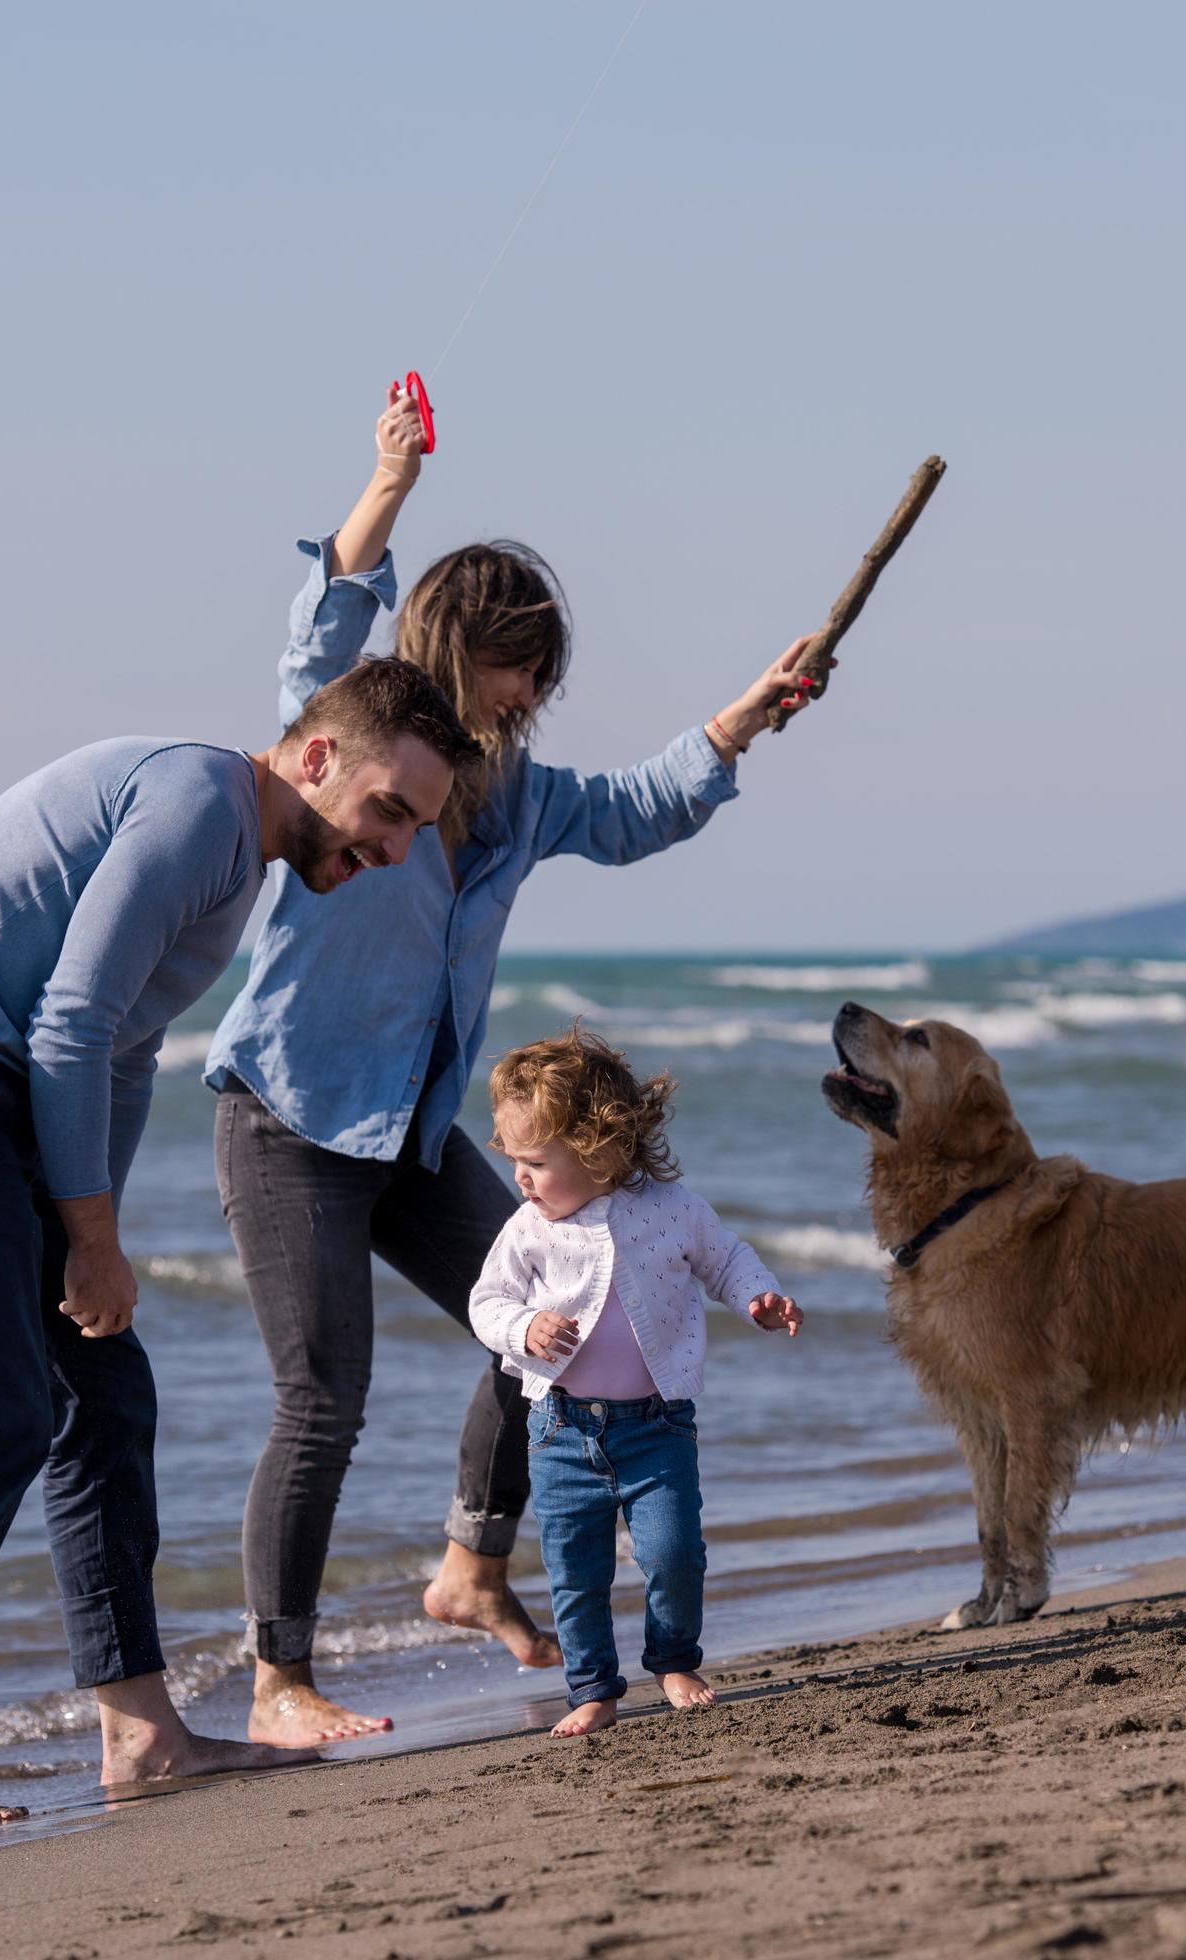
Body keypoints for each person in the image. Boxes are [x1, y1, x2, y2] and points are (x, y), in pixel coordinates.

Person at [205, 382, 823, 1746]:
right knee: (323, 1402)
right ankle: (277, 1684)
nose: (532, 694)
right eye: (514, 667)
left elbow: (641, 809)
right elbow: (330, 612)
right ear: (455, 646)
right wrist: (389, 481)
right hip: (289, 1122)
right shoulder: (354, 735)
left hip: (414, 1136)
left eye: (544, 674)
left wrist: (746, 719)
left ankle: (469, 1566)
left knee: (558, 1300)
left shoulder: (525, 798)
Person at [0, 660, 478, 1838]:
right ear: (315, 758)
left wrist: (87, 1232)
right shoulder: (199, 807)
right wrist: (94, 1236)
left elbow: (116, 1054)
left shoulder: (234, 858)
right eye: (389, 812)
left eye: (419, 828)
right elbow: (71, 1021)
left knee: (103, 1396)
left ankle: (143, 1733)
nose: (398, 850)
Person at [465, 1029, 803, 1736]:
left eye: (534, 1161)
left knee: (674, 1553)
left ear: (600, 1147)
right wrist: (522, 1326)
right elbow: (485, 1303)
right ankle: (592, 1689)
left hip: (656, 1426)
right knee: (575, 1571)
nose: (520, 1178)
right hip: (559, 1428)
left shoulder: (672, 1209)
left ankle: (673, 1659)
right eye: (513, 1161)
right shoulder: (528, 1228)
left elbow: (725, 1259)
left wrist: (757, 1297)